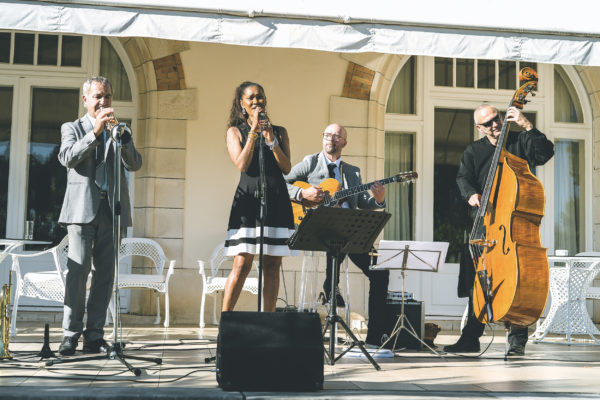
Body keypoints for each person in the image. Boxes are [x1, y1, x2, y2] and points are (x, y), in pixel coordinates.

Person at [446, 104, 554, 355]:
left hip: (513, 228)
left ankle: (516, 341)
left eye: (497, 119)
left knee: (517, 277)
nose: (495, 125)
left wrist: (527, 125)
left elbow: (545, 154)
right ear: (479, 128)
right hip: (487, 224)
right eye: (488, 123)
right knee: (479, 277)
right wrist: (471, 194)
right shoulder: (474, 151)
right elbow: (463, 178)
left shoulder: (519, 141)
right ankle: (471, 337)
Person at [57, 76, 142, 356]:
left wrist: (124, 139)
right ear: (86, 100)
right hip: (82, 211)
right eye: (97, 96)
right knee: (78, 273)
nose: (103, 101)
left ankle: (94, 335)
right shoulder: (72, 127)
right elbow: (68, 157)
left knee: (105, 276)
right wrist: (94, 132)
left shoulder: (119, 130)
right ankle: (71, 334)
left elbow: (135, 163)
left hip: (111, 211)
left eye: (107, 96)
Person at [284, 123, 389, 347]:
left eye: (336, 136)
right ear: (323, 139)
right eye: (327, 135)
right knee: (335, 237)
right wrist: (303, 193)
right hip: (318, 227)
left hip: (349, 229)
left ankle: (374, 336)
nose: (331, 139)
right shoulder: (310, 162)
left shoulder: (352, 172)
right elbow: (282, 184)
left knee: (380, 270)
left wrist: (379, 199)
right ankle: (331, 287)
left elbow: (361, 202)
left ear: (344, 143)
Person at [222, 81, 295, 313]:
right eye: (251, 98)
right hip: (249, 203)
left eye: (260, 97)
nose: (256, 101)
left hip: (276, 200)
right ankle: (227, 320)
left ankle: (268, 320)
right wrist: (253, 132)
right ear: (242, 104)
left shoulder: (279, 132)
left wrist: (271, 138)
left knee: (272, 264)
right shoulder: (235, 132)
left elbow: (286, 168)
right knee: (242, 263)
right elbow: (242, 164)